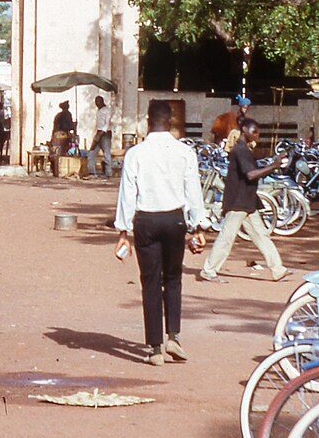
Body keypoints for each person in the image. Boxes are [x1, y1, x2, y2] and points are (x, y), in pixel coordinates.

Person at [113, 100, 209, 366]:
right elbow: (193, 191)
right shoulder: (184, 152)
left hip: (146, 221)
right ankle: (174, 337)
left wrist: (123, 231)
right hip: (174, 220)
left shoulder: (136, 153)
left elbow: (127, 194)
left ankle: (155, 349)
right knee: (174, 278)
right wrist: (199, 225)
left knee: (150, 282)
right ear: (171, 121)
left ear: (147, 121)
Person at [202, 117, 289, 282]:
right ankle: (209, 270)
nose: (257, 135)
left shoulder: (244, 149)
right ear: (244, 131)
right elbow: (250, 174)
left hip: (247, 201)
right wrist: (274, 166)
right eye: (254, 132)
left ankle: (278, 269)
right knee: (226, 238)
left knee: (261, 236)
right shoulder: (240, 150)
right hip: (238, 202)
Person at [90, 95, 114, 179]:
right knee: (92, 151)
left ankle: (108, 172)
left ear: (102, 101)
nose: (97, 104)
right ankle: (91, 171)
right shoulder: (98, 110)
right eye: (96, 102)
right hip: (98, 132)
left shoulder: (107, 110)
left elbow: (107, 124)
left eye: (98, 102)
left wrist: (100, 134)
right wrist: (96, 134)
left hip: (105, 133)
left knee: (106, 153)